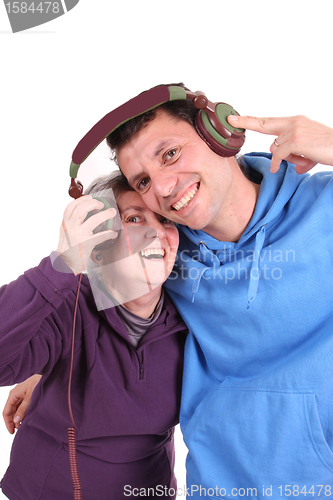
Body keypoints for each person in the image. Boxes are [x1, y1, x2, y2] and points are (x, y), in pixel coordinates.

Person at [103, 87, 333, 498]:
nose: (165, 188)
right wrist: (55, 362)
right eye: (143, 180)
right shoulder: (165, 256)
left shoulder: (326, 204)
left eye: (169, 154)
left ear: (218, 134)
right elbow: (96, 311)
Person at [0, 171, 187, 500]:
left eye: (164, 218)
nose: (156, 232)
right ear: (98, 247)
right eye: (134, 218)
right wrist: (64, 263)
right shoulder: (67, 304)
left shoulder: (195, 315)